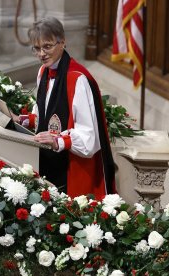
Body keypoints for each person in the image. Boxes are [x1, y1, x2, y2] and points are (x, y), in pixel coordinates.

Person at [23, 17, 116, 200]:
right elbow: (45, 113)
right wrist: (26, 120)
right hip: (45, 163)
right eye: (37, 48)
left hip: (72, 169)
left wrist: (58, 141)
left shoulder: (77, 79)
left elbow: (89, 139)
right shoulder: (43, 72)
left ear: (63, 42)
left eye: (47, 46)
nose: (42, 54)